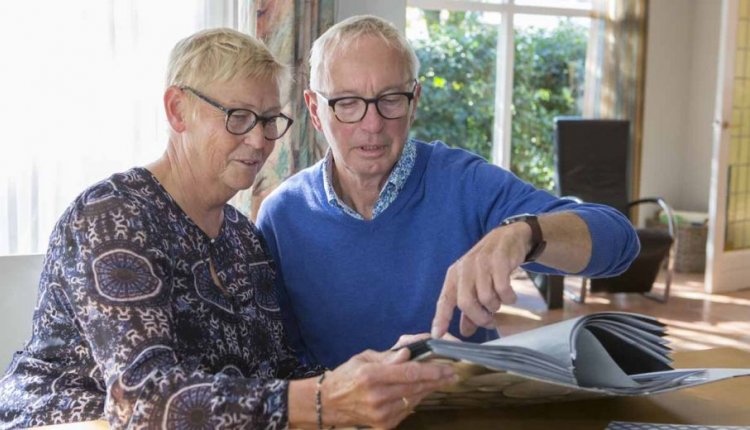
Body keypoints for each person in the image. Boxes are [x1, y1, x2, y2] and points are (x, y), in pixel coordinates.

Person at [0, 28, 455, 430]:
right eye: (237, 117)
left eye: (269, 121)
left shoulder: (244, 239)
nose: (259, 142)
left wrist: (382, 368)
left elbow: (276, 372)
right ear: (178, 111)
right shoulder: (113, 216)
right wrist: (325, 398)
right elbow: (141, 400)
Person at [256, 15, 641, 369]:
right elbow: (280, 357)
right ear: (314, 109)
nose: (372, 124)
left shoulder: (465, 184)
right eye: (348, 103)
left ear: (415, 101)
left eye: (391, 99)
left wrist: (524, 233)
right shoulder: (281, 215)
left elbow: (619, 242)